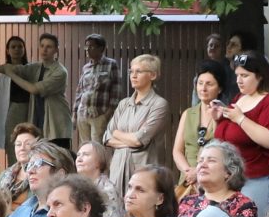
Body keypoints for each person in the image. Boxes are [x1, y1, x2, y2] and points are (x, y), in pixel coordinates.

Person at [212, 52, 269, 211]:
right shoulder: (239, 98)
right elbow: (229, 138)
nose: (239, 80)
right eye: (237, 75)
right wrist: (217, 120)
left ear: (260, 76)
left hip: (259, 178)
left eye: (245, 75)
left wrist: (241, 119)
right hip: (233, 177)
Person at [100, 53, 169, 202]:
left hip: (143, 170)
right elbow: (106, 137)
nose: (133, 75)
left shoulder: (159, 104)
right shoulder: (124, 104)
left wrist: (118, 134)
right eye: (131, 71)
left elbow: (139, 140)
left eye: (139, 71)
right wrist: (128, 140)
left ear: (152, 75)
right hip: (117, 170)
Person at [177, 140, 259, 217]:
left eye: (211, 160)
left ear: (228, 172)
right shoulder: (186, 201)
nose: (202, 165)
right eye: (200, 161)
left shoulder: (243, 205)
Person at [171, 62, 230, 179]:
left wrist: (197, 173)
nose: (203, 88)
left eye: (209, 84)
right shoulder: (188, 113)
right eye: (200, 83)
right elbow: (177, 151)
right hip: (187, 179)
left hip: (213, 178)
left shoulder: (227, 114)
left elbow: (227, 151)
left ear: (220, 89)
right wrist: (188, 171)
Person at [71, 33, 123, 146]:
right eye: (86, 47)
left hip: (100, 113)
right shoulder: (86, 67)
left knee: (98, 146)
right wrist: (75, 113)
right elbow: (80, 91)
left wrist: (108, 113)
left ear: (101, 48)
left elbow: (116, 90)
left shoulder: (111, 64)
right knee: (85, 146)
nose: (87, 49)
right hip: (83, 113)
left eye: (91, 46)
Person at [0, 35, 31, 155]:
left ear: (24, 49)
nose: (17, 49)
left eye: (20, 46)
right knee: (13, 143)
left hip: (31, 110)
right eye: (13, 47)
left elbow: (15, 70)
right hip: (11, 110)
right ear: (7, 50)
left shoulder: (31, 69)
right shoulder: (3, 73)